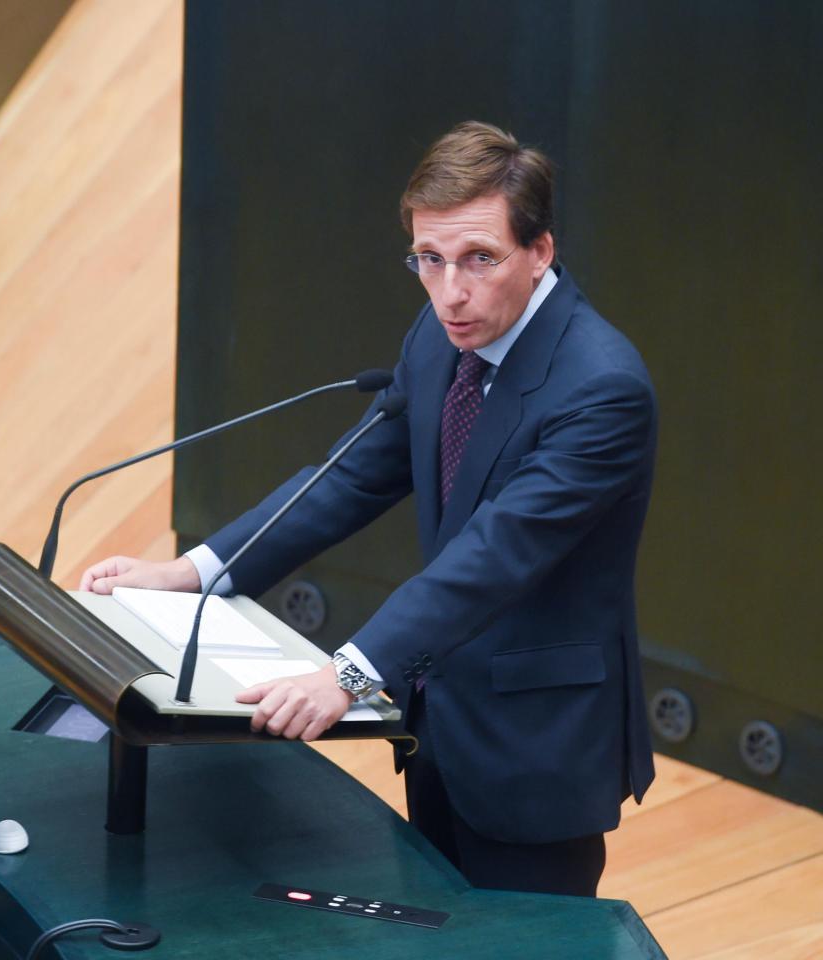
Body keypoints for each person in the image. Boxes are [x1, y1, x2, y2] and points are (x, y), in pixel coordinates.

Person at [81, 121, 656, 897]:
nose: (450, 291)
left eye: (480, 259)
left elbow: (492, 558)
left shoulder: (600, 389)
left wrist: (346, 676)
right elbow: (348, 479)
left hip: (533, 746)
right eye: (429, 259)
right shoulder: (440, 337)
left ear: (541, 251)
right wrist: (192, 571)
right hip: (440, 722)